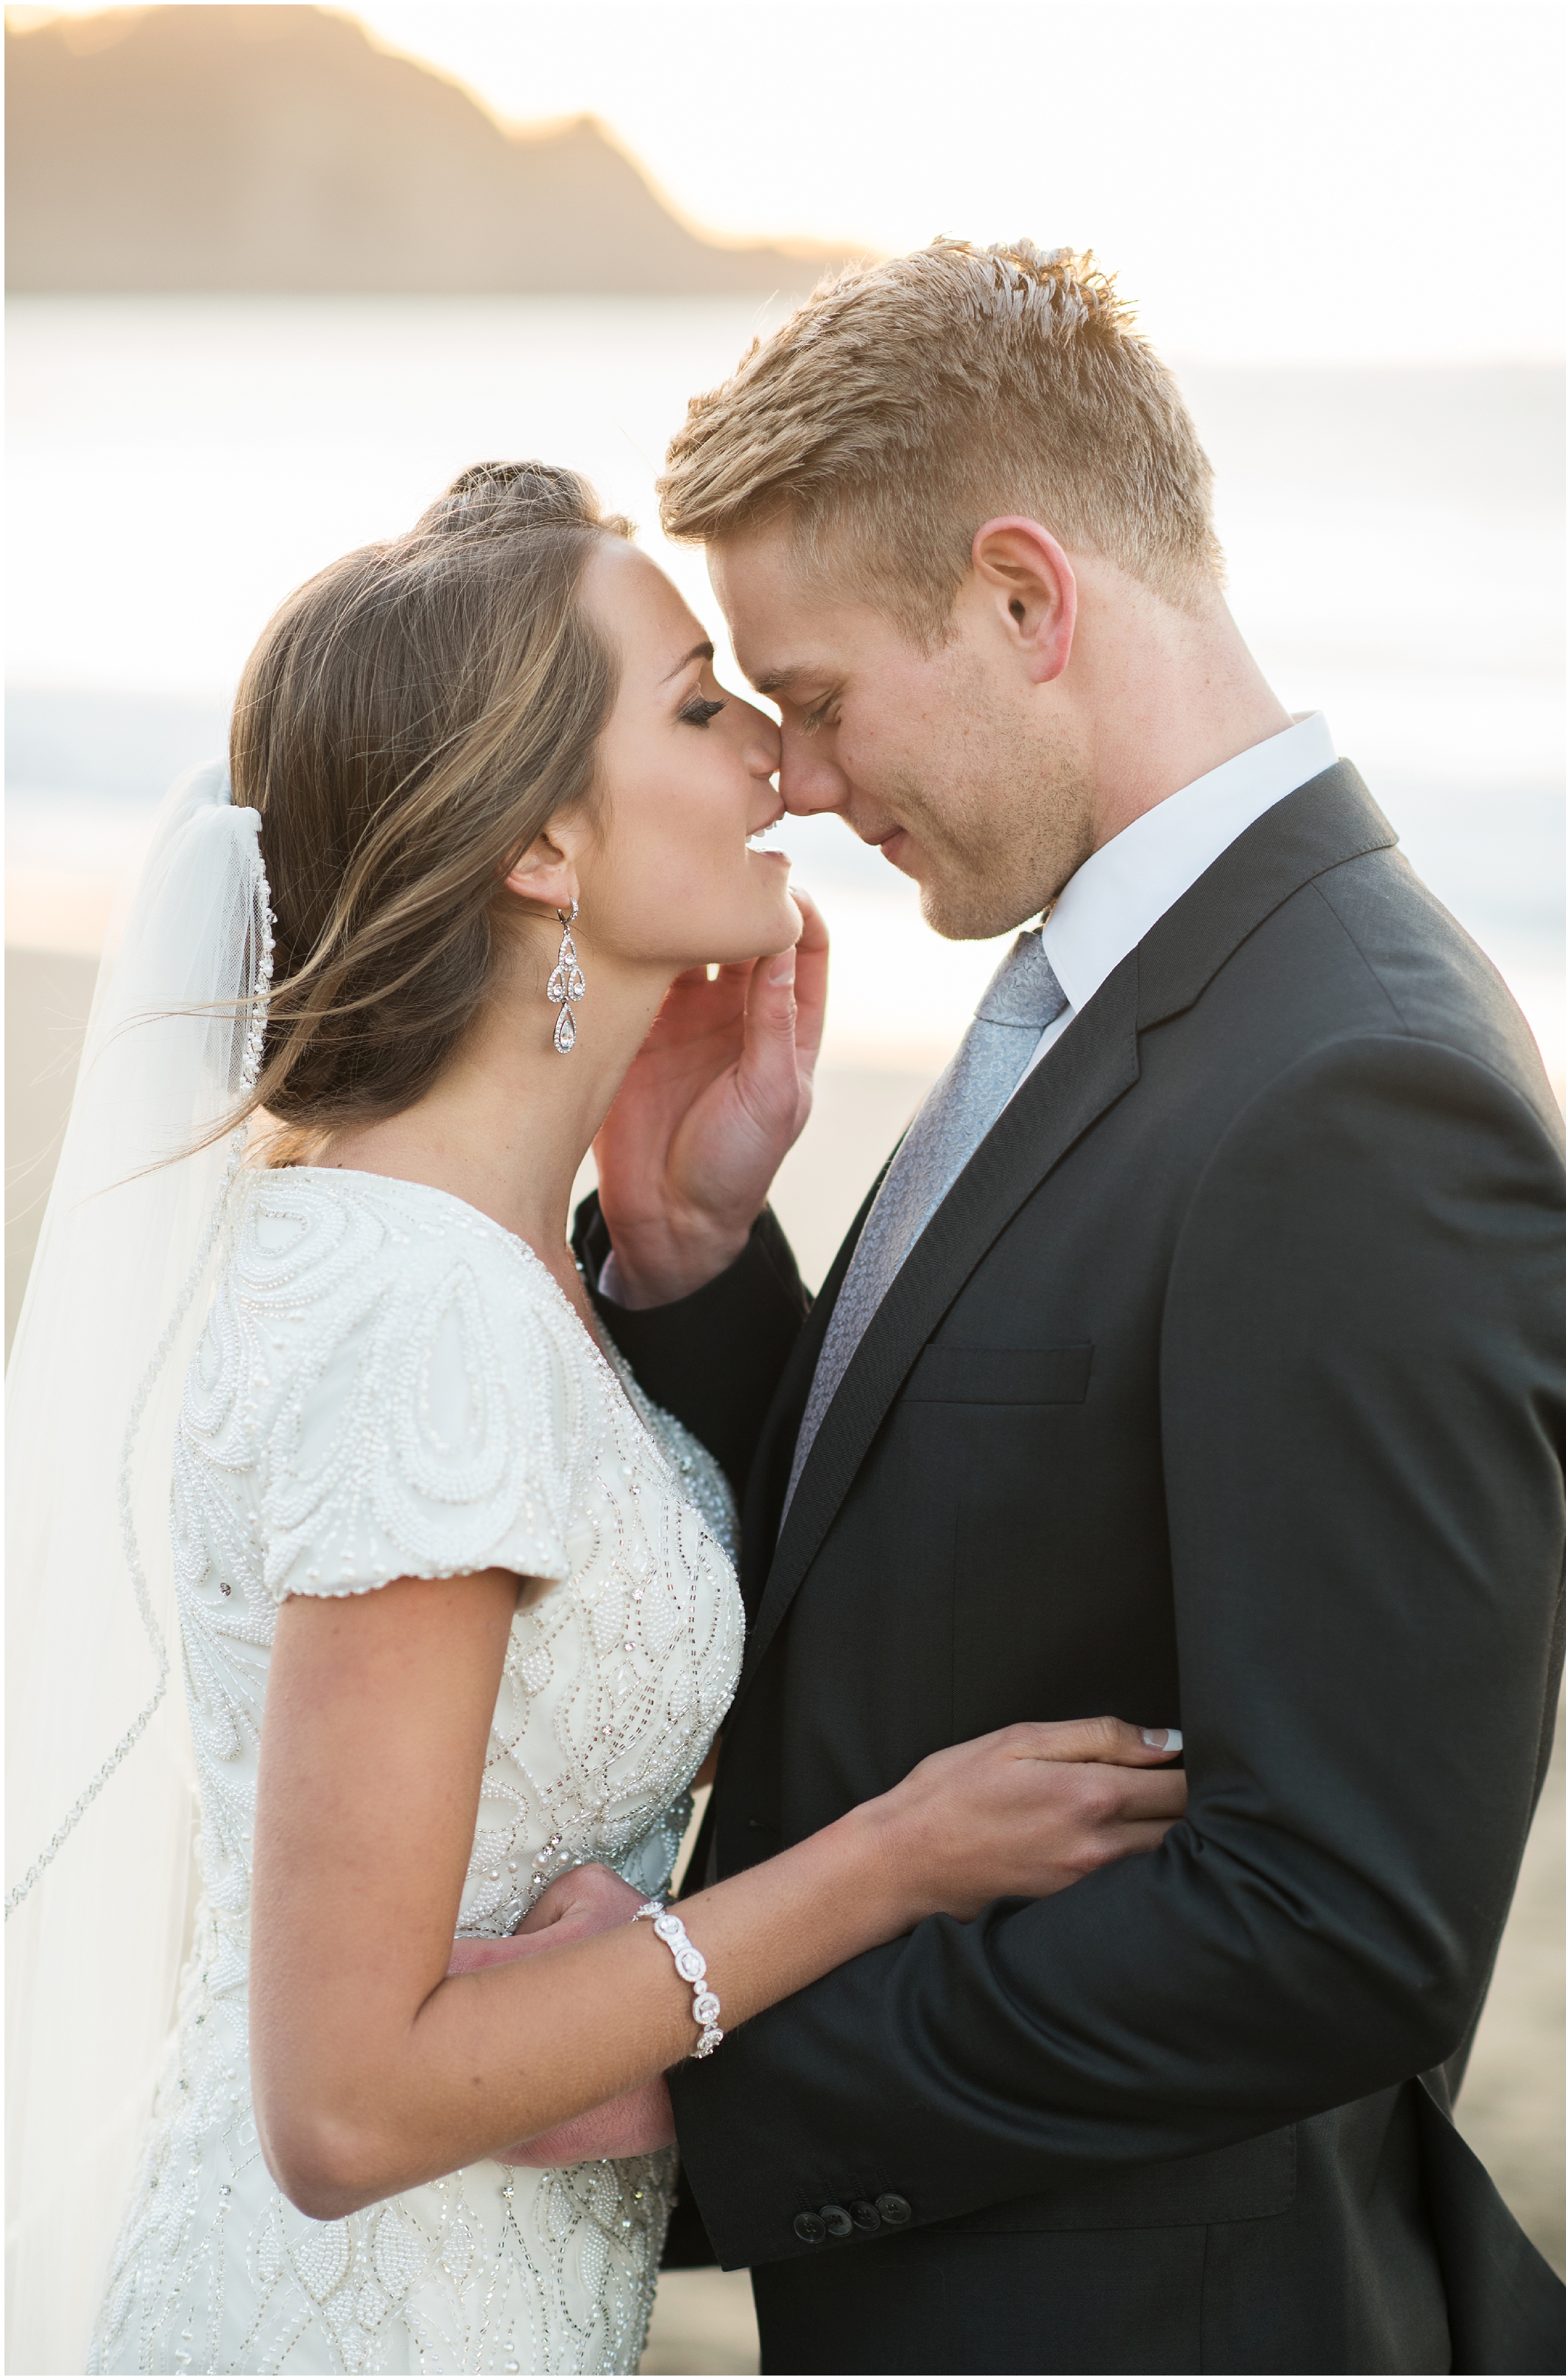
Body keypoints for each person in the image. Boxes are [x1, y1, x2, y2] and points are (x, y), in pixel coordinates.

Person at [4, 461, 1189, 2378]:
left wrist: (685, 1234)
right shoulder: (423, 1319)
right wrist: (884, 1860)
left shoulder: (500, 1270)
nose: (777, 770)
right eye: (703, 706)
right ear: (542, 842)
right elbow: (344, 2108)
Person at [572, 243, 1566, 2374]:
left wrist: (703, 2092)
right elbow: (960, 1584)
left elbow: (1337, 1925)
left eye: (823, 697)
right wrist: (693, 1266)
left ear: (1025, 599)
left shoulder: (1353, 1088)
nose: (808, 783)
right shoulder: (1111, 977)